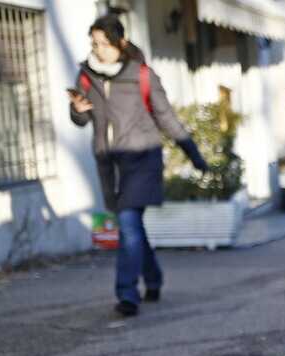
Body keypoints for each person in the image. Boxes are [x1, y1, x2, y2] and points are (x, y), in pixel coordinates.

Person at [68, 14, 208, 317]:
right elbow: (83, 119)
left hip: (142, 158)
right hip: (109, 162)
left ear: (121, 43)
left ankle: (127, 293)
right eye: (94, 43)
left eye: (104, 43)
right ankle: (154, 278)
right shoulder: (86, 76)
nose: (98, 49)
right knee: (133, 226)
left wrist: (194, 154)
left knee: (128, 223)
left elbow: (166, 117)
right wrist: (77, 111)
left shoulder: (142, 75)